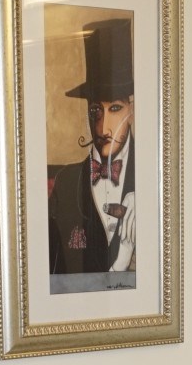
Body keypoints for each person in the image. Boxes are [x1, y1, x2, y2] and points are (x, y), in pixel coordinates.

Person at [48, 17, 138, 283]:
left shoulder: (156, 179)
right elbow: (54, 278)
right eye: (95, 110)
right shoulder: (66, 183)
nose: (103, 128)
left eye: (115, 109)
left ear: (132, 109)